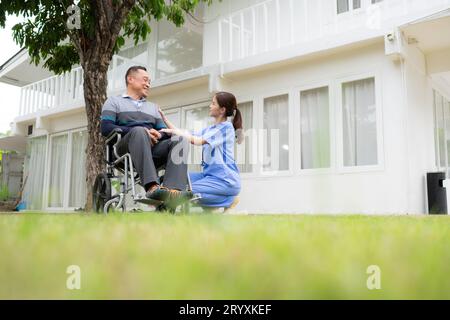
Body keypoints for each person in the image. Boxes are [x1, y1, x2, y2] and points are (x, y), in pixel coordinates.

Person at [100, 66, 189, 201]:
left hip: (152, 149)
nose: (148, 84)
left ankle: (173, 191)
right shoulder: (113, 102)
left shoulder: (153, 107)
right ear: (130, 79)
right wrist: (142, 132)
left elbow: (164, 131)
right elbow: (106, 128)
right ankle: (152, 187)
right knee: (139, 131)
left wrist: (159, 135)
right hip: (124, 149)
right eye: (145, 80)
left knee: (180, 139)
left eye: (149, 82)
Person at [159, 92, 242, 209]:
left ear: (222, 110)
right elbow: (186, 134)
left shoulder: (226, 128)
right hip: (208, 176)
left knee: (186, 191)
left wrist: (173, 132)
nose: (210, 106)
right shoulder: (210, 129)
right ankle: (213, 205)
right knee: (177, 180)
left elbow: (197, 141)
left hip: (225, 180)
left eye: (213, 103)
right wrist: (166, 121)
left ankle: (228, 200)